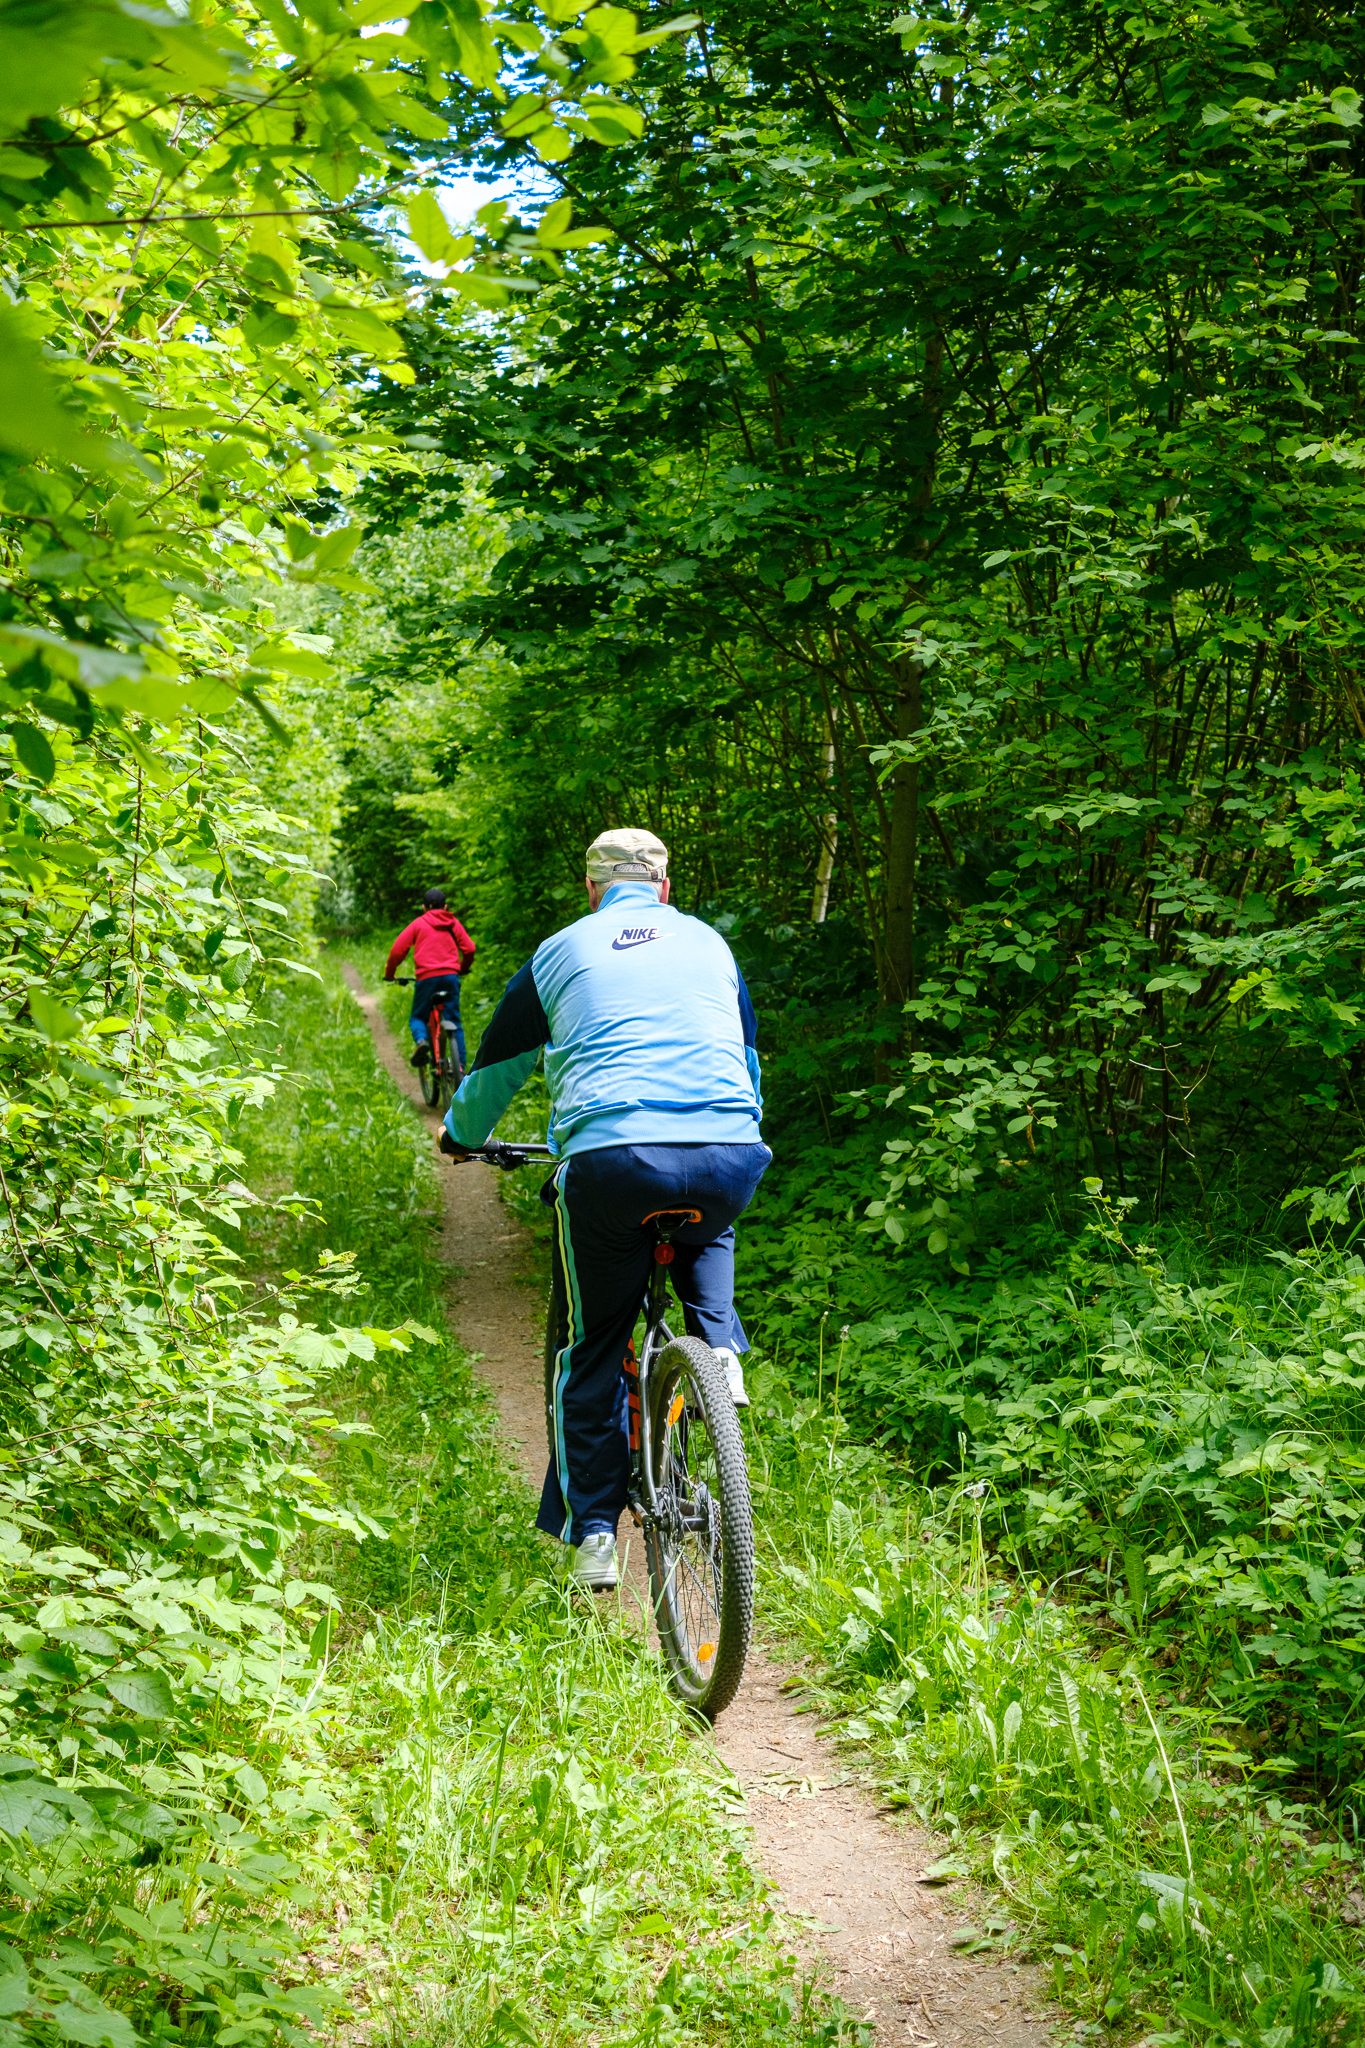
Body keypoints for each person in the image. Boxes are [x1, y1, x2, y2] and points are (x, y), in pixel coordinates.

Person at [440, 827, 770, 1591]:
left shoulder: (561, 950)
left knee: (590, 1346)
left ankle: (592, 1532)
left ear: (591, 889)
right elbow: (747, 1060)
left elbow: (497, 1067)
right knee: (711, 1220)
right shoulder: (710, 944)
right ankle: (718, 1347)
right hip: (729, 1148)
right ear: (663, 887)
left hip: (612, 1162)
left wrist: (462, 1136)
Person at [384, 888, 476, 1072]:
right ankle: (459, 1069)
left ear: (424, 907)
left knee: (418, 1017)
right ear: (445, 907)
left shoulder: (418, 924)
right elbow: (470, 949)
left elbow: (397, 951)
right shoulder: (453, 923)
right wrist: (463, 968)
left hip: (426, 979)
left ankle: (422, 1041)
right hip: (450, 977)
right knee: (454, 1023)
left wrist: (390, 974)